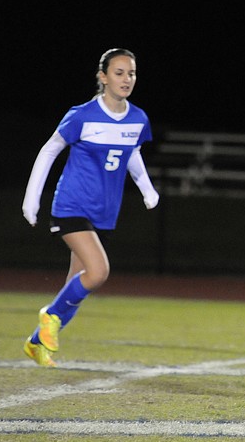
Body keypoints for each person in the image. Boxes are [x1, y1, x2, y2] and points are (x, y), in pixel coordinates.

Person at [21, 48, 159, 367]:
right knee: (98, 272)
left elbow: (132, 153)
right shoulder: (82, 114)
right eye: (119, 73)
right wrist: (32, 198)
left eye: (132, 73)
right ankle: (49, 316)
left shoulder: (138, 118)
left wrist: (147, 188)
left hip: (105, 213)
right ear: (103, 77)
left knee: (77, 286)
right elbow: (48, 151)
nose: (127, 79)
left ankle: (37, 342)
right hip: (72, 205)